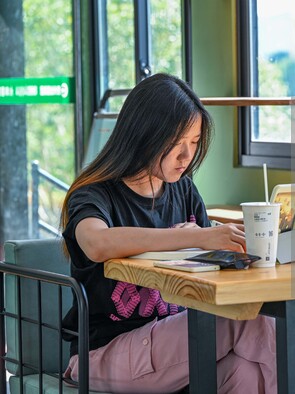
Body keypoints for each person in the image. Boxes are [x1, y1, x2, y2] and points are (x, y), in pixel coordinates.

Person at [60, 73, 276, 393]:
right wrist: (195, 237)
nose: (187, 157)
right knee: (247, 318)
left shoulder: (183, 190)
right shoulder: (95, 194)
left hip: (172, 342)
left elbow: (210, 268)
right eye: (177, 143)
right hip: (104, 354)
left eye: (194, 142)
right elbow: (96, 242)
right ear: (144, 134)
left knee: (246, 373)